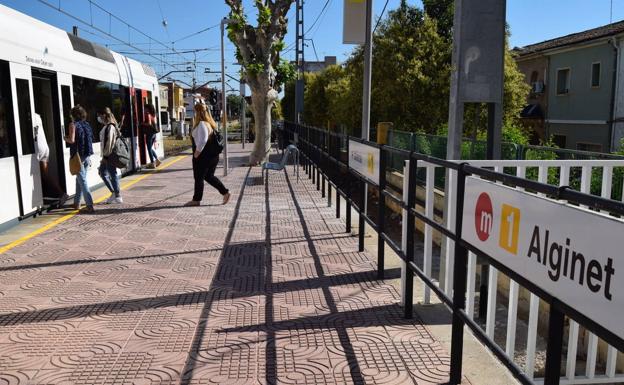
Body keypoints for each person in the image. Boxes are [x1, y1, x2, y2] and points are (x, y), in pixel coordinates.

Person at [185, 103, 230, 206]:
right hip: (212, 156)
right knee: (209, 176)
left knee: (199, 178)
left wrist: (196, 154)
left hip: (203, 156)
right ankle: (225, 192)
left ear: (197, 112)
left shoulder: (202, 124)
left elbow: (203, 140)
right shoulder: (210, 123)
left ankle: (196, 200)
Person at [34, 112, 68, 207]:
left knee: (42, 174)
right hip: (44, 147)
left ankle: (61, 193)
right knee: (45, 174)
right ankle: (58, 194)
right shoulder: (38, 116)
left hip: (38, 148)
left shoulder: (29, 115)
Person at [64, 105, 95, 213]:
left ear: (74, 115)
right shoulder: (87, 125)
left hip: (78, 157)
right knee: (80, 180)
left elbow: (72, 140)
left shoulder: (73, 125)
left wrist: (65, 138)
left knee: (83, 181)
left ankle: (89, 205)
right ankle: (77, 202)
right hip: (86, 156)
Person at [97, 107, 123, 204]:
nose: (98, 117)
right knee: (104, 172)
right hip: (108, 155)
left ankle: (117, 195)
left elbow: (109, 143)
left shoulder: (110, 127)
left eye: (99, 115)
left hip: (109, 155)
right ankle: (114, 193)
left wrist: (105, 157)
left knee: (110, 173)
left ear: (104, 115)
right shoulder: (107, 126)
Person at [143, 103, 160, 169]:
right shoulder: (153, 115)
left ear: (147, 109)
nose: (144, 109)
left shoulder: (148, 114)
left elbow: (149, 124)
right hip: (153, 134)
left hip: (149, 134)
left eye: (145, 108)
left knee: (149, 148)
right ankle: (157, 160)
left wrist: (142, 123)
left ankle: (152, 163)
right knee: (150, 148)